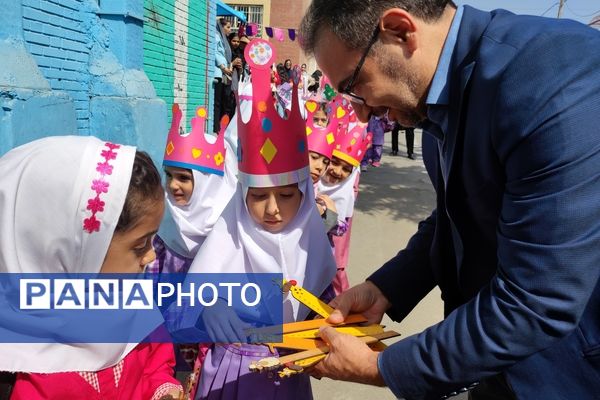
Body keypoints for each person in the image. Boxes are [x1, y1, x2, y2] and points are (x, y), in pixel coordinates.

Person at [300, 1, 600, 399]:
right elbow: (456, 216)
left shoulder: (552, 76)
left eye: (354, 86)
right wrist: (386, 288)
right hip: (493, 364)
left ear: (399, 30)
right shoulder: (436, 100)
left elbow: (539, 296)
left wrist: (382, 367)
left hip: (567, 373)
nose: (361, 114)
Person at [185, 38, 337, 400]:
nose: (273, 209)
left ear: (304, 196)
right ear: (241, 196)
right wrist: (209, 305)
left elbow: (326, 307)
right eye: (258, 197)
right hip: (230, 375)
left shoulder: (313, 245)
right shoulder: (230, 235)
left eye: (286, 196)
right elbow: (189, 296)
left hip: (289, 375)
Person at [0, 136, 183, 399]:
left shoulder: (133, 305)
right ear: (74, 249)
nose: (151, 256)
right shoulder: (14, 362)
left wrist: (162, 390)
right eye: (140, 244)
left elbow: (156, 366)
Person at [213, 18, 233, 134]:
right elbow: (215, 52)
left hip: (224, 73)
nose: (229, 30)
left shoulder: (223, 38)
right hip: (219, 72)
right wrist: (223, 67)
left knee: (222, 102)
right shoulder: (216, 36)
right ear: (221, 27)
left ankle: (219, 127)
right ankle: (216, 128)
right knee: (217, 102)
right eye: (228, 27)